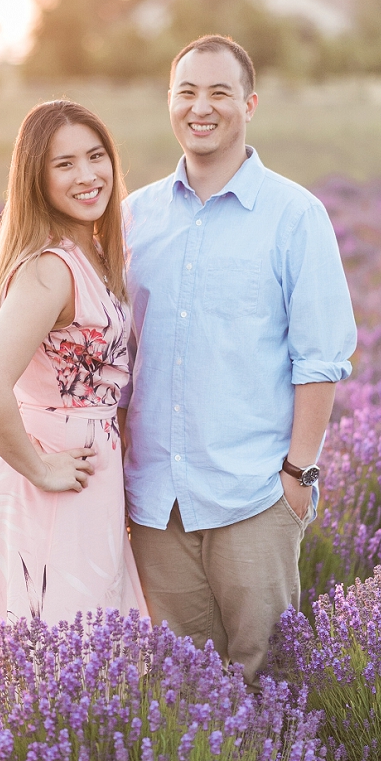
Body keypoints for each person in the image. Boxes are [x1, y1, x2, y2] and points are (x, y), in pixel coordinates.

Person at [121, 34, 356, 688]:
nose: (202, 107)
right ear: (169, 102)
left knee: (269, 679)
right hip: (154, 503)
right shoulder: (132, 219)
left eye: (219, 92)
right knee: (182, 688)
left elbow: (321, 357)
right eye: (187, 92)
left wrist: (297, 477)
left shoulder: (294, 216)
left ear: (249, 104)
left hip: (254, 494)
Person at [0, 100, 147, 632]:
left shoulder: (90, 250)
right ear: (36, 179)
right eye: (64, 164)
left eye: (96, 156)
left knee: (89, 644)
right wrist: (41, 468)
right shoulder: (51, 268)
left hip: (89, 472)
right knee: (58, 649)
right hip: (51, 479)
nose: (88, 176)